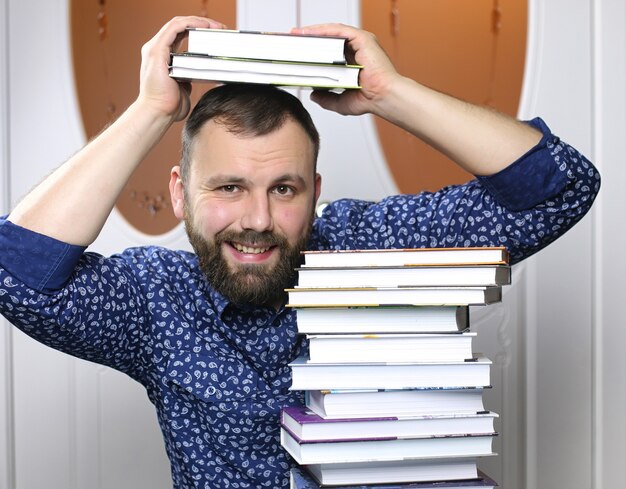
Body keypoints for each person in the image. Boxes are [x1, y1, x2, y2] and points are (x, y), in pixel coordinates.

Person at [0, 15, 599, 489]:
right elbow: (15, 274)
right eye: (229, 187)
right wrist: (151, 110)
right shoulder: (155, 301)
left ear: (317, 193)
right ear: (180, 194)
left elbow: (563, 188)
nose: (257, 221)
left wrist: (391, 94)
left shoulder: (372, 244)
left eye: (283, 189)